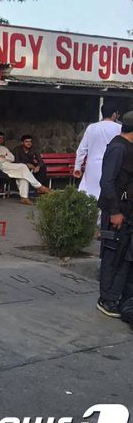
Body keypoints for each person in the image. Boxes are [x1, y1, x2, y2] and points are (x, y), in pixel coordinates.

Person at [96, 111, 133, 318]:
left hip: (128, 212)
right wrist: (115, 211)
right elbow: (107, 181)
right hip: (116, 213)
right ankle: (107, 299)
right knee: (113, 256)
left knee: (125, 256)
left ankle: (119, 296)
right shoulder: (118, 148)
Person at [74, 102, 122, 199]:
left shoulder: (91, 128)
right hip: (112, 167)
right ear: (114, 114)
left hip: (92, 167)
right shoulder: (119, 128)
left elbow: (81, 150)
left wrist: (77, 167)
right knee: (108, 195)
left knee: (89, 194)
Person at [0, 131, 51, 205]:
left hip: (9, 165)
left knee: (23, 176)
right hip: (1, 166)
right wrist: (6, 157)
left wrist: (4, 156)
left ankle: (24, 198)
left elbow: (12, 158)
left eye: (2, 138)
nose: (1, 140)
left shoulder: (4, 148)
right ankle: (39, 186)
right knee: (23, 166)